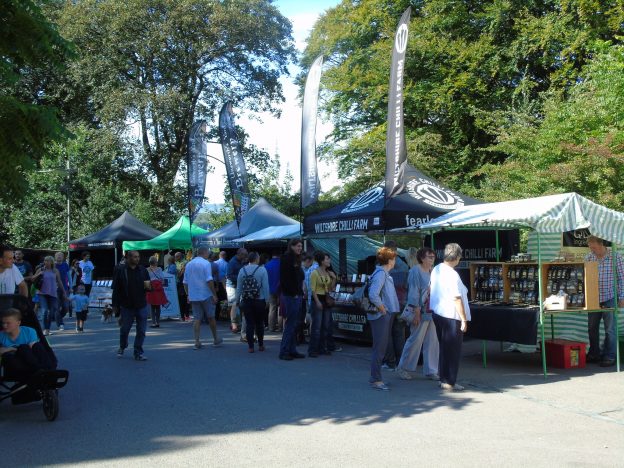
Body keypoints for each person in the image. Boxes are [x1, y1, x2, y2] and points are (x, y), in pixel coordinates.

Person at [430, 243, 470, 391]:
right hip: (451, 316)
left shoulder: (437, 269)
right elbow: (456, 298)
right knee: (452, 350)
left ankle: (444, 379)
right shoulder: (452, 274)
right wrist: (464, 319)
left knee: (445, 348)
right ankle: (449, 381)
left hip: (439, 313)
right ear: (458, 257)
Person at [397, 247, 439, 380]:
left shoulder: (433, 271)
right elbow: (413, 292)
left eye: (433, 257)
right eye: (429, 257)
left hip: (431, 311)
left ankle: (431, 370)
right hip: (420, 311)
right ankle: (403, 368)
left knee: (432, 341)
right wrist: (416, 312)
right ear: (422, 258)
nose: (432, 259)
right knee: (415, 340)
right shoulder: (415, 271)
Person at [585, 236, 624, 367]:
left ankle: (610, 356)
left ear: (601, 244)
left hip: (610, 297)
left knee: (610, 329)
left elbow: (622, 278)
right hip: (593, 298)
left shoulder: (616, 257)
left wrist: (622, 297)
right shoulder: (589, 257)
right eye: (590, 247)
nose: (592, 250)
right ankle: (594, 353)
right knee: (592, 328)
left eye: (594, 247)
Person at [367, 247, 400, 391]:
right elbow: (373, 294)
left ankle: (377, 378)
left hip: (383, 315)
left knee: (381, 347)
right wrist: (383, 309)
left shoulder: (382, 273)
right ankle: (376, 379)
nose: (395, 261)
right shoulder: (381, 273)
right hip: (381, 316)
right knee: (379, 348)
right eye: (394, 258)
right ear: (389, 260)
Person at [112, 250, 151, 361]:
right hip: (127, 305)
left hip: (141, 304)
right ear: (128, 258)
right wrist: (115, 305)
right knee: (125, 329)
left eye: (138, 257)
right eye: (134, 257)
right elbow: (116, 289)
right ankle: (122, 346)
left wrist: (150, 287)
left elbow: (147, 285)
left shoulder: (143, 270)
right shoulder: (121, 270)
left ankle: (138, 352)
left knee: (141, 331)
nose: (137, 259)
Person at [183, 246, 223, 349]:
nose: (208, 255)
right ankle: (215, 339)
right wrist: (214, 294)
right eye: (208, 253)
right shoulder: (206, 264)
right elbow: (209, 280)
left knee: (197, 318)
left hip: (194, 295)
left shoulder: (189, 264)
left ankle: (197, 341)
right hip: (206, 294)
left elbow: (185, 282)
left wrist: (188, 294)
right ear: (204, 253)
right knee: (211, 317)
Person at [0, 308, 54, 381]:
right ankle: (42, 372)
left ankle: (47, 371)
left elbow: (33, 347)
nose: (4, 325)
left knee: (32, 346)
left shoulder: (29, 331)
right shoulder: (1, 335)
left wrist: (10, 348)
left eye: (8, 323)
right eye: (3, 323)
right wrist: (12, 349)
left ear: (18, 323)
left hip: (31, 358)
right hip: (16, 364)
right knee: (12, 353)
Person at [235, 251, 269, 353]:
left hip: (246, 300)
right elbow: (266, 286)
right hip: (259, 300)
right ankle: (261, 344)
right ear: (256, 259)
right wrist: (267, 300)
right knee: (259, 323)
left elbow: (239, 287)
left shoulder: (242, 270)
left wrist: (237, 300)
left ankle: (250, 347)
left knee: (249, 323)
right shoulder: (262, 270)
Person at [278, 239, 305, 361]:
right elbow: (285, 279)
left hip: (297, 295)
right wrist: (294, 293)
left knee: (294, 324)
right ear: (292, 246)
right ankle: (284, 351)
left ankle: (292, 350)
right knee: (290, 324)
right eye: (298, 246)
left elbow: (299, 277)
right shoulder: (287, 258)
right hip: (291, 296)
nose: (300, 248)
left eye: (301, 246)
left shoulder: (296, 259)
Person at [308, 251, 337, 357]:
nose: (329, 261)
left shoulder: (328, 272)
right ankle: (313, 349)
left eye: (329, 258)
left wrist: (334, 278)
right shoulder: (315, 273)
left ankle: (322, 348)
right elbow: (313, 290)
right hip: (318, 299)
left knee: (325, 325)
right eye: (327, 259)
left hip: (326, 298)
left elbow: (330, 289)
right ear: (321, 261)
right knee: (316, 326)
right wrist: (317, 302)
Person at [32, 256, 67, 335]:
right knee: (45, 311)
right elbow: (32, 279)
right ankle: (45, 329)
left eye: (48, 261)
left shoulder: (55, 271)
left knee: (51, 312)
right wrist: (39, 274)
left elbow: (59, 281)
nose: (46, 262)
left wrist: (64, 292)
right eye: (45, 261)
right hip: (42, 293)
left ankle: (48, 328)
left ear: (51, 262)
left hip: (52, 293)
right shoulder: (40, 269)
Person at [226, 248, 248, 333]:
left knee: (238, 305)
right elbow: (229, 275)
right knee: (234, 304)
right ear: (240, 254)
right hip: (232, 285)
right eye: (245, 255)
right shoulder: (232, 262)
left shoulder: (241, 261)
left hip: (238, 285)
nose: (246, 257)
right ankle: (234, 325)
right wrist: (241, 277)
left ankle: (237, 324)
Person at [146, 256, 166, 328]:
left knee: (152, 306)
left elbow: (146, 279)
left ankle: (153, 322)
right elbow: (162, 279)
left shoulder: (147, 269)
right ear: (155, 262)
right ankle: (158, 322)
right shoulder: (159, 269)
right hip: (158, 289)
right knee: (158, 306)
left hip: (151, 288)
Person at [264, 250, 282, 332]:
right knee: (280, 308)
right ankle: (281, 327)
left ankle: (271, 327)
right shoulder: (282, 264)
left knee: (272, 308)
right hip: (280, 289)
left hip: (270, 289)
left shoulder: (267, 265)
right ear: (279, 255)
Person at [54, 252, 71, 324]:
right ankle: (60, 323)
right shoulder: (53, 265)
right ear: (55, 257)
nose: (59, 257)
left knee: (66, 306)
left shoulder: (65, 265)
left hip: (65, 288)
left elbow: (69, 276)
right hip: (55, 289)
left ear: (63, 257)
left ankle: (58, 317)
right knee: (57, 306)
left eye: (61, 256)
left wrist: (71, 286)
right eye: (57, 255)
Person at [174, 252, 190, 321]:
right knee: (180, 300)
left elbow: (181, 274)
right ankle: (182, 315)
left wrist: (179, 272)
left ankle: (186, 315)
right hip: (178, 284)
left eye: (177, 256)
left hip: (185, 283)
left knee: (186, 299)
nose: (176, 258)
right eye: (175, 256)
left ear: (181, 256)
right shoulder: (175, 263)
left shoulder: (186, 262)